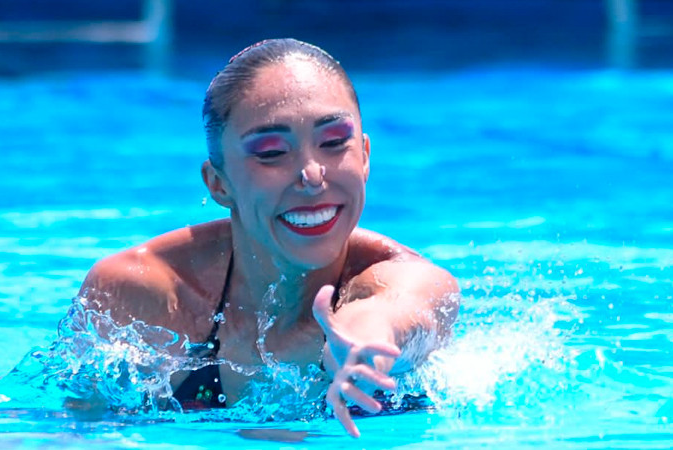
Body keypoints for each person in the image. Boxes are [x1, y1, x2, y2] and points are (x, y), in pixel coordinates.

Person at [78, 38, 460, 438]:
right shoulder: (143, 293)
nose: (312, 176)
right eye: (272, 152)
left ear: (364, 156)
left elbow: (395, 312)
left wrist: (364, 344)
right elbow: (72, 427)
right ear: (219, 184)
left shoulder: (411, 278)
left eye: (333, 143)